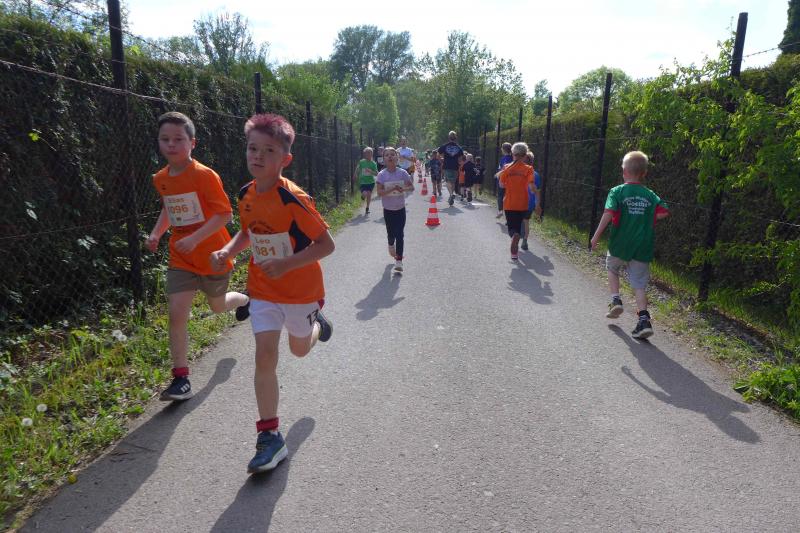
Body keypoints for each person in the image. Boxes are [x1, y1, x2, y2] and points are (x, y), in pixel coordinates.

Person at [210, 113, 335, 473]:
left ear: (285, 159)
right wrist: (228, 251)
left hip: (300, 291)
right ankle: (269, 436)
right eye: (253, 148)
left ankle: (317, 326)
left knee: (299, 350)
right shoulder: (245, 194)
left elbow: (326, 245)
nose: (258, 156)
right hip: (263, 288)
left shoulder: (292, 197)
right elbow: (248, 231)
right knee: (264, 356)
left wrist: (287, 264)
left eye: (269, 150)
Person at [146, 111, 249, 402]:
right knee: (177, 312)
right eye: (165, 139)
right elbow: (169, 209)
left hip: (213, 254)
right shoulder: (161, 178)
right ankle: (181, 378)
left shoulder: (204, 175)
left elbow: (225, 214)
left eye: (178, 139)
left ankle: (245, 300)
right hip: (181, 257)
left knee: (218, 306)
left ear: (192, 143)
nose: (171, 144)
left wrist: (194, 238)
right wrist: (156, 233)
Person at [590, 150, 669, 339]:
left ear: (624, 171)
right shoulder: (650, 195)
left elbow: (608, 213)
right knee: (639, 284)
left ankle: (616, 300)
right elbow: (664, 211)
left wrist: (596, 236)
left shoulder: (617, 191)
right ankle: (644, 320)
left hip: (620, 243)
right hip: (642, 246)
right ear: (644, 173)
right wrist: (647, 218)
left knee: (612, 267)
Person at [498, 142, 540, 261]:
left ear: (513, 154)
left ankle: (515, 237)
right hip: (523, 203)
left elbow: (501, 185)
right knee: (518, 224)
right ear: (525, 155)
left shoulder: (506, 167)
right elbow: (532, 187)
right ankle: (514, 252)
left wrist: (509, 183)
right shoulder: (529, 169)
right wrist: (537, 199)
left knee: (512, 227)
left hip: (509, 202)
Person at [375, 146, 414, 272]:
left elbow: (411, 187)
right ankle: (390, 243)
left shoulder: (402, 173)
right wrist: (392, 189)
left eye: (392, 154)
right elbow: (379, 193)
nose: (390, 156)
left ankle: (399, 261)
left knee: (400, 234)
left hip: (400, 209)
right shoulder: (381, 175)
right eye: (387, 155)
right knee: (391, 234)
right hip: (388, 210)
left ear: (397, 158)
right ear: (383, 160)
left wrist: (404, 189)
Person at [520, 151, 543, 251]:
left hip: (518, 201)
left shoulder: (518, 172)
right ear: (532, 161)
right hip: (529, 203)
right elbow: (537, 192)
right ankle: (525, 240)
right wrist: (537, 205)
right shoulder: (536, 175)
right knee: (526, 221)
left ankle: (517, 237)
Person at [437, 131, 464, 206]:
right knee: (453, 182)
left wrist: (441, 160)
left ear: (449, 137)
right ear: (455, 138)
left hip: (447, 166)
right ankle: (452, 194)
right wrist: (458, 162)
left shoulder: (445, 146)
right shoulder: (458, 147)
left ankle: (451, 194)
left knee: (448, 181)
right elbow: (461, 158)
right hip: (455, 167)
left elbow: (438, 154)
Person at [353, 147, 378, 216]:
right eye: (366, 153)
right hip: (363, 181)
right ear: (364, 154)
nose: (367, 155)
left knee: (369, 195)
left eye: (369, 153)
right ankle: (363, 196)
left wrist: (370, 171)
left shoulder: (373, 163)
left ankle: (367, 208)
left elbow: (376, 173)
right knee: (365, 193)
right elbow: (358, 168)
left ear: (372, 154)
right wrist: (355, 174)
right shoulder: (362, 162)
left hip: (371, 182)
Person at [495, 142, 513, 218]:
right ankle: (508, 214)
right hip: (510, 181)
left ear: (504, 149)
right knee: (508, 196)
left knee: (500, 196)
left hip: (502, 180)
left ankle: (500, 211)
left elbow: (504, 169)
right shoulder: (512, 158)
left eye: (502, 148)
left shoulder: (504, 159)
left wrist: (499, 174)